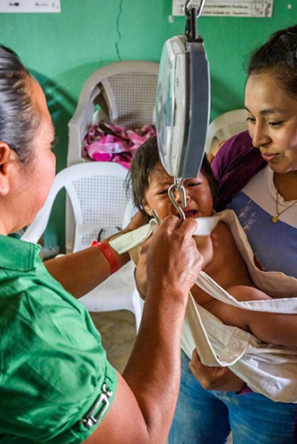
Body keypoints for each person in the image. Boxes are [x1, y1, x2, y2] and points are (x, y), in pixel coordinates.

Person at [0, 43, 204, 444]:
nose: (52, 158)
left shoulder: (4, 275)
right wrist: (168, 290)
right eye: (49, 145)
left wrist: (124, 243)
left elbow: (37, 281)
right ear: (0, 165)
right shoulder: (34, 329)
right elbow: (142, 435)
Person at [168, 24, 297, 444]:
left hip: (270, 393)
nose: (257, 136)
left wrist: (242, 374)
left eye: (273, 121)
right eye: (250, 117)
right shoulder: (238, 156)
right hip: (200, 360)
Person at [128, 136, 297, 348]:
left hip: (248, 304)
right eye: (165, 192)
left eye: (192, 184)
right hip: (215, 317)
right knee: (246, 299)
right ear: (147, 206)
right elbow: (145, 285)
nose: (182, 197)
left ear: (212, 186)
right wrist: (148, 273)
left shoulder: (220, 217)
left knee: (263, 301)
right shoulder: (162, 239)